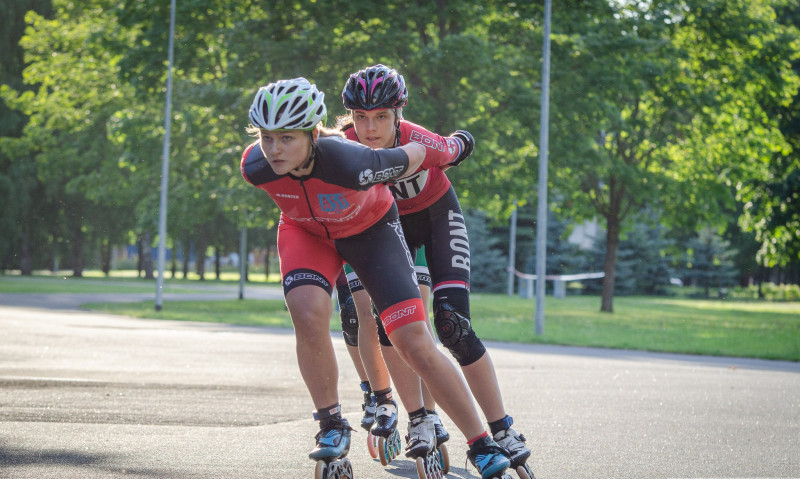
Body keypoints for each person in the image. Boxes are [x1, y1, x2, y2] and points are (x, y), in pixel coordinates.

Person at [240, 77, 510, 479]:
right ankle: (331, 424)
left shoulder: (353, 161)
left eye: (287, 138)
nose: (275, 150)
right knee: (307, 312)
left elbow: (416, 152)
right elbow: (275, 168)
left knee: (412, 341)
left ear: (313, 134)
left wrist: (453, 147)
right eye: (266, 137)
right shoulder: (255, 166)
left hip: (371, 233)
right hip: (306, 233)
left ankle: (481, 443)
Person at [337, 64, 533, 474]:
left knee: (451, 324)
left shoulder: (419, 141)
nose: (370, 128)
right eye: (361, 118)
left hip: (436, 218)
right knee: (389, 319)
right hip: (384, 229)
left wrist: (457, 143)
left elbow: (462, 144)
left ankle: (501, 429)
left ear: (399, 115)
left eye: (381, 117)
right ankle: (418, 416)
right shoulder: (344, 148)